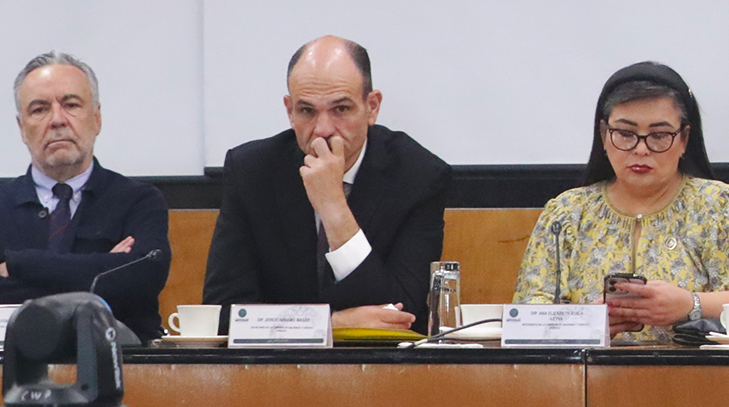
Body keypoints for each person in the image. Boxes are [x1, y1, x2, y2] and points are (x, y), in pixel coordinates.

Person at [513, 62, 729, 344]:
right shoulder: (566, 214)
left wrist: (691, 305)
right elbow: (525, 319)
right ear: (604, 135)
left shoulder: (721, 206)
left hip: (697, 370)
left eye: (659, 136)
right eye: (625, 134)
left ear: (684, 139)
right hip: (586, 371)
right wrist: (588, 322)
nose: (641, 149)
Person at [203, 37, 451, 330]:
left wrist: (334, 208)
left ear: (372, 107)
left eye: (341, 109)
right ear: (289, 110)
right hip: (278, 360)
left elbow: (399, 316)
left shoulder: (418, 176)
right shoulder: (252, 172)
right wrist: (331, 325)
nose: (322, 130)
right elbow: (223, 314)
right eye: (307, 111)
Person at [0, 52, 170, 342]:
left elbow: (142, 279)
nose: (57, 120)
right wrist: (103, 273)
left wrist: (17, 266)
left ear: (97, 118)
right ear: (22, 128)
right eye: (40, 109)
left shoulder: (138, 200)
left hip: (121, 364)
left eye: (71, 105)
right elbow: (118, 285)